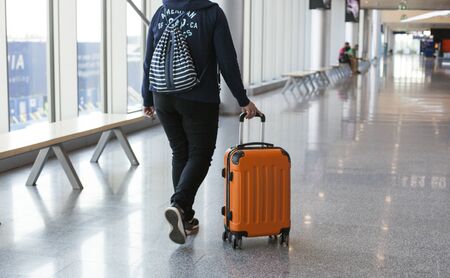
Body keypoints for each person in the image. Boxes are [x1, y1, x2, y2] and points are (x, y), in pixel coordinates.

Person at [141, 0, 261, 245]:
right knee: (200, 153)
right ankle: (179, 204)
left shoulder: (162, 12)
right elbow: (227, 60)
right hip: (198, 98)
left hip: (162, 95)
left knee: (180, 153)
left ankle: (185, 218)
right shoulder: (212, 13)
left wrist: (147, 96)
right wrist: (242, 99)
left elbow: (148, 58)